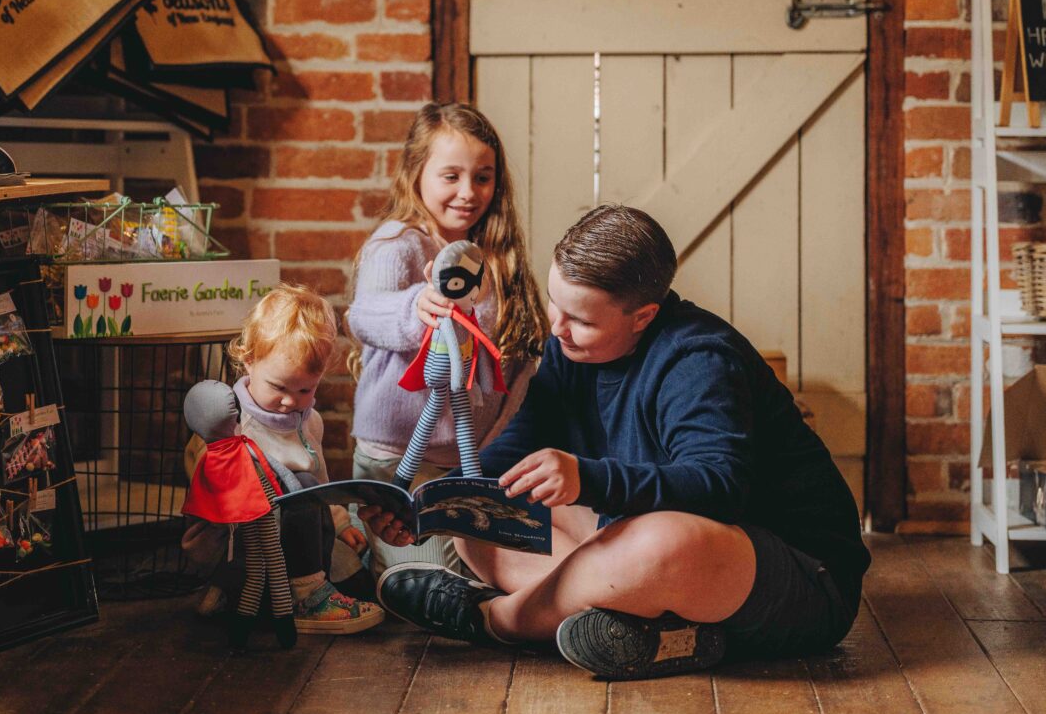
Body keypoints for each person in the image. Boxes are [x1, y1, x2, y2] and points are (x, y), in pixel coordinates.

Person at [370, 205, 869, 681]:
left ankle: (494, 619)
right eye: (555, 302)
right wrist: (437, 502)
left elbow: (719, 488)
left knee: (661, 541)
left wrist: (586, 477)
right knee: (480, 519)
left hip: (799, 579)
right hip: (650, 553)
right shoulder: (570, 346)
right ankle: (666, 634)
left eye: (583, 320)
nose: (558, 327)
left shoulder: (699, 360)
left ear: (643, 316)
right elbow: (521, 445)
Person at [344, 103, 547, 575]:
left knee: (489, 567)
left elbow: (512, 360)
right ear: (416, 173)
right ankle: (360, 541)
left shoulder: (496, 256)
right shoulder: (397, 244)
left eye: (483, 177)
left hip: (471, 459)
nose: (468, 192)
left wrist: (502, 439)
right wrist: (414, 307)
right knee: (429, 577)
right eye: (451, 176)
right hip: (397, 456)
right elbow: (363, 316)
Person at [185, 284, 382, 633]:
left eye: (305, 389)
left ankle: (297, 590)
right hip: (246, 538)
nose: (291, 401)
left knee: (360, 583)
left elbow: (319, 480)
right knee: (298, 487)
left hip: (300, 538)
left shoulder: (310, 421)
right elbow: (205, 485)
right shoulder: (230, 424)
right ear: (249, 360)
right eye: (278, 387)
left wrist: (340, 523)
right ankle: (298, 595)